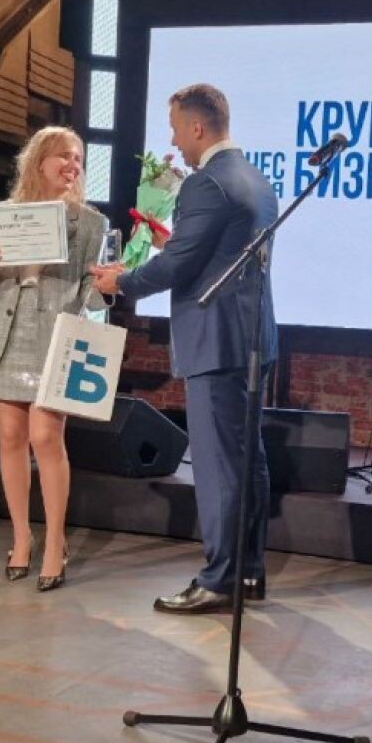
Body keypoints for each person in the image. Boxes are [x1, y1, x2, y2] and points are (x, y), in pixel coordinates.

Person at [90, 84, 278, 614]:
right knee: (247, 460)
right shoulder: (258, 180)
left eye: (175, 128)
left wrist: (122, 282)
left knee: (218, 468)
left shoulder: (207, 183)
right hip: (253, 339)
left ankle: (218, 579)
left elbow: (178, 265)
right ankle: (247, 573)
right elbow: (213, 257)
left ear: (197, 127)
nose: (173, 140)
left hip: (216, 342)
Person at [0, 126, 108, 590]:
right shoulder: (5, 214)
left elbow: (91, 289)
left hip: (55, 336)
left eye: (78, 158)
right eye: (64, 156)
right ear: (39, 161)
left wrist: (106, 287)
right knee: (11, 437)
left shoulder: (90, 222)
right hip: (7, 332)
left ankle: (54, 542)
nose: (73, 165)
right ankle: (21, 537)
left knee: (45, 437)